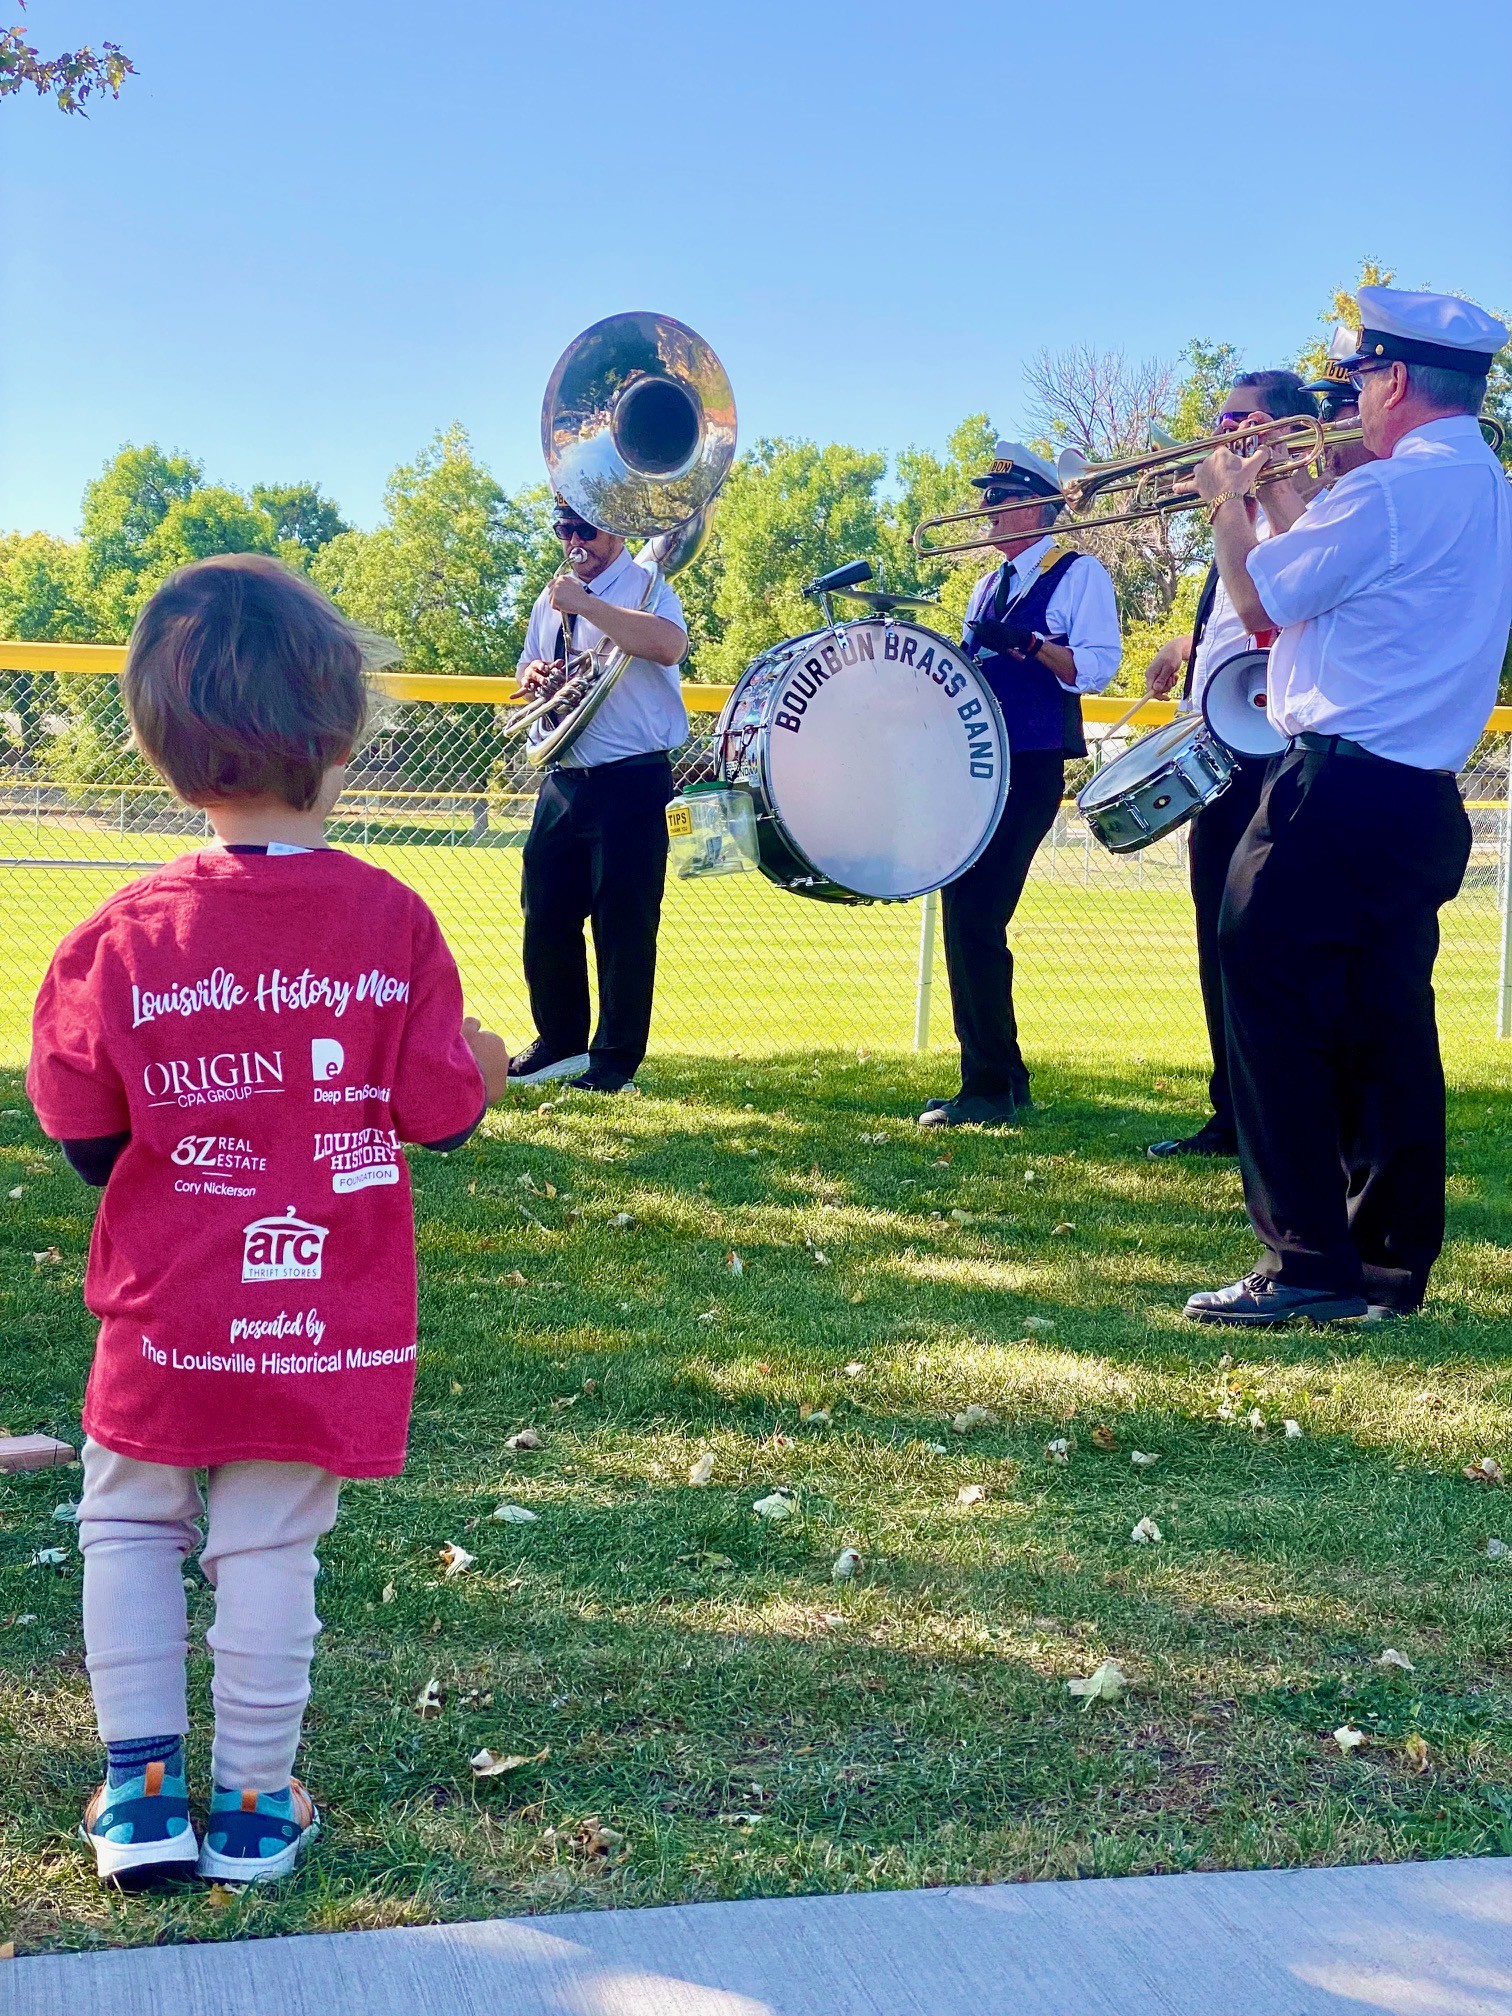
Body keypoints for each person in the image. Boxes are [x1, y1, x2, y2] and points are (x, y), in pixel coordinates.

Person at [26, 554, 511, 1887]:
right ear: (345, 731)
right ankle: (248, 1805)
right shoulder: (391, 922)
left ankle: (141, 1795)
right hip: (321, 1314)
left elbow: (79, 1120)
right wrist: (486, 1061)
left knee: (128, 1519)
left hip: (168, 1305)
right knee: (268, 1540)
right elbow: (440, 1108)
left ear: (157, 743)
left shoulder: (122, 932)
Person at [1183, 286, 1512, 1326]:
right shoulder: (1480, 484)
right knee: (1387, 1029)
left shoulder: (1393, 491)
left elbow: (1259, 602)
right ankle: (1384, 1266)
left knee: (1270, 1011)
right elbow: (1330, 582)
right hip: (1414, 799)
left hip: (1331, 787)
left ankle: (1302, 1264)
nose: (1351, 399)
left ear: (1398, 379)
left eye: (1361, 377)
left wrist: (1229, 508)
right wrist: (1283, 506)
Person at [1142, 372, 1321, 1160]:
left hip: (1277, 749)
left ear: (1283, 431)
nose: (1220, 434)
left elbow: (1277, 614)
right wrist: (1182, 647)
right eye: (1218, 420)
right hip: (1218, 745)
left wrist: (1237, 506)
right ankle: (1232, 1110)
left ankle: (1284, 1117)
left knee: (1266, 939)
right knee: (1218, 932)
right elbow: (1231, 629)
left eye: (1238, 420)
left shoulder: (1300, 519)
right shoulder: (1234, 521)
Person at [920, 441, 1121, 1128]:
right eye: (986, 500)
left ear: (1038, 505)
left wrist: (1028, 645)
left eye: (1000, 501)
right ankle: (999, 1075)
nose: (985, 511)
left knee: (977, 913)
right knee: (966, 909)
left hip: (1032, 761)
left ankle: (988, 1085)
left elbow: (1094, 669)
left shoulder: (1077, 573)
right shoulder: (988, 584)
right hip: (983, 760)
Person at [507, 499, 690, 1093]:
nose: (573, 541)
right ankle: (559, 1042)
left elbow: (668, 646)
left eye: (584, 529)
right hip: (565, 775)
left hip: (632, 776)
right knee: (545, 913)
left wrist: (589, 607)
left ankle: (614, 1061)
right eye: (564, 530)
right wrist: (533, 675)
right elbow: (529, 661)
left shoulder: (645, 583)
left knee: (623, 921)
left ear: (612, 527)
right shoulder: (550, 595)